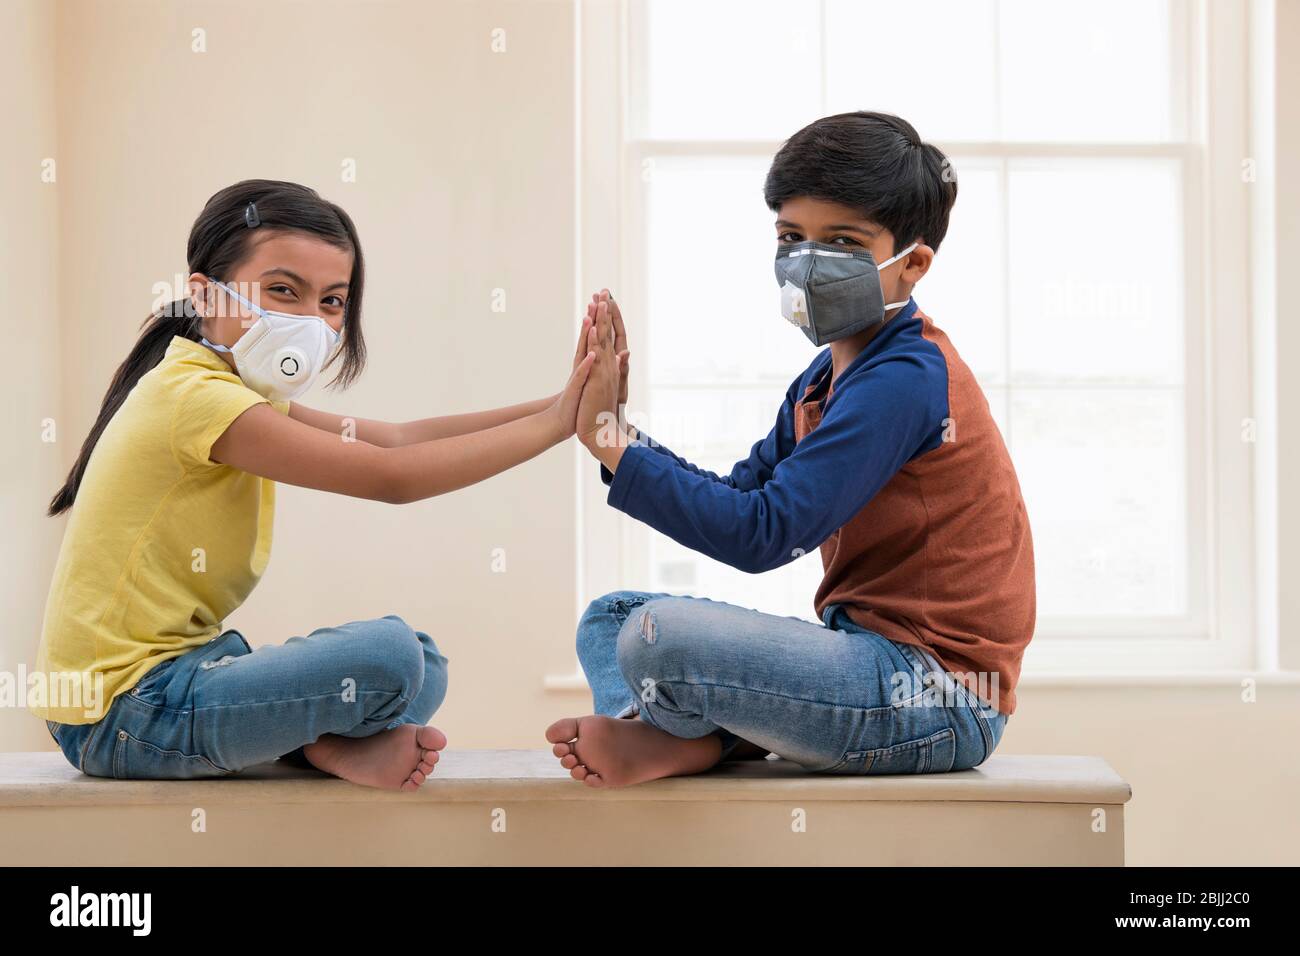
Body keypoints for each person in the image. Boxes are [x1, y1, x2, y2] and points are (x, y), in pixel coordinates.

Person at [35, 179, 600, 791]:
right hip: (119, 712)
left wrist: (563, 407)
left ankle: (319, 747)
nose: (312, 320)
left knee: (421, 658)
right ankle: (318, 743)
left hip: (182, 679)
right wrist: (557, 425)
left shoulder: (229, 390)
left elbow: (396, 440)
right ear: (204, 295)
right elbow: (393, 478)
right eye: (283, 291)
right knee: (390, 659)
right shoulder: (194, 397)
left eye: (332, 300)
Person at [550, 112, 1036, 787]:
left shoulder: (906, 378)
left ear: (914, 263)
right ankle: (687, 739)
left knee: (654, 636)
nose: (807, 261)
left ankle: (680, 735)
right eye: (791, 237)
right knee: (611, 619)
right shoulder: (824, 377)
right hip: (861, 657)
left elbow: (763, 535)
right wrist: (617, 433)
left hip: (938, 698)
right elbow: (745, 495)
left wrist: (608, 442)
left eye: (841, 240)